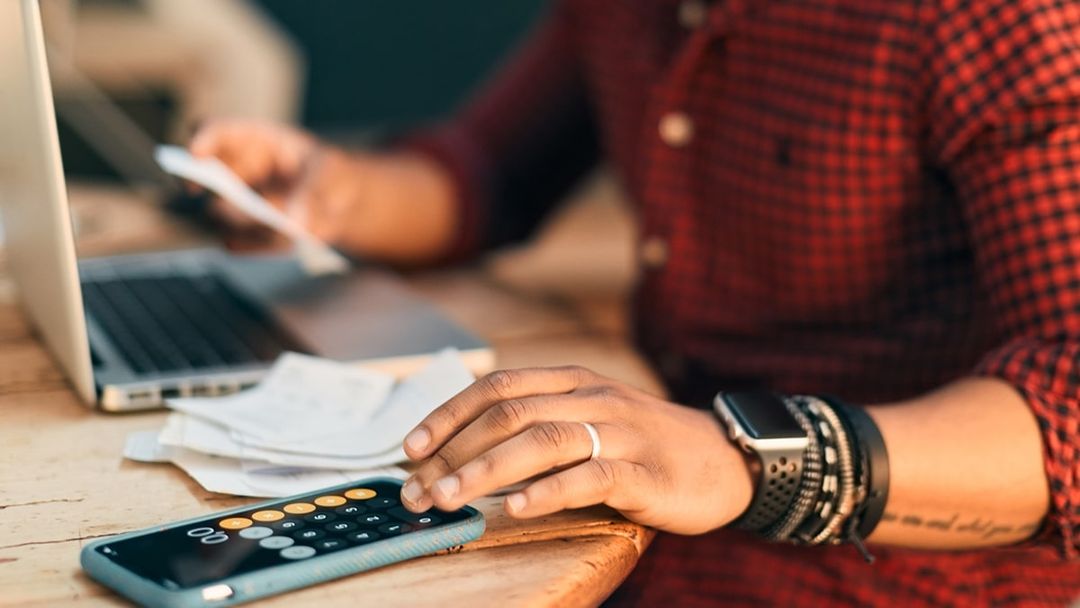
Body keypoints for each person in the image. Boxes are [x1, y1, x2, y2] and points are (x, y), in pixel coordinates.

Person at [189, 0, 1080, 604]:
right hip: (645, 513)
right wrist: (330, 191)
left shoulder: (994, 21)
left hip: (888, 571)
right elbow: (491, 172)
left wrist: (743, 456)